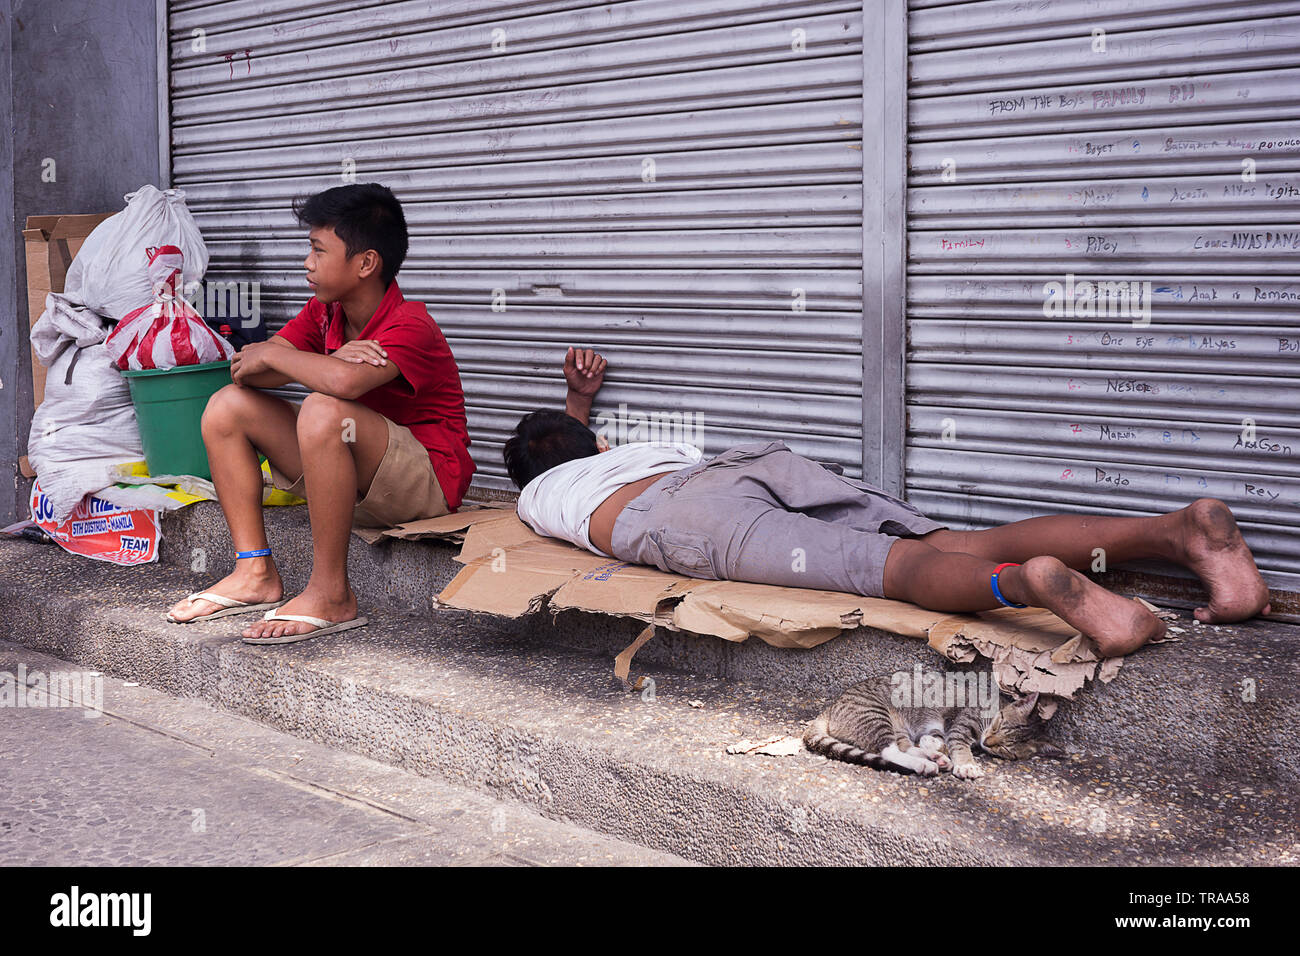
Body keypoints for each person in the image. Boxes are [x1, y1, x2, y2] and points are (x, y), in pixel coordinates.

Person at [507, 350, 1272, 658]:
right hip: (744, 463)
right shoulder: (624, 451)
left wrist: (562, 431)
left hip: (681, 522)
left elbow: (555, 457)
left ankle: (1029, 586)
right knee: (962, 538)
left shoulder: (538, 497)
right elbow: (577, 439)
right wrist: (578, 400)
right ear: (597, 442)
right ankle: (1179, 534)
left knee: (898, 572)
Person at [166, 183, 474, 643]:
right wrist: (316, 360)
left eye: (317, 249)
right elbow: (244, 370)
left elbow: (343, 384)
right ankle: (255, 572)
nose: (306, 262)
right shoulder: (324, 313)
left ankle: (332, 593)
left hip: (425, 484)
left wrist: (294, 360)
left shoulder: (411, 325)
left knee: (325, 409)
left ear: (365, 263)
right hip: (357, 480)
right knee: (226, 406)